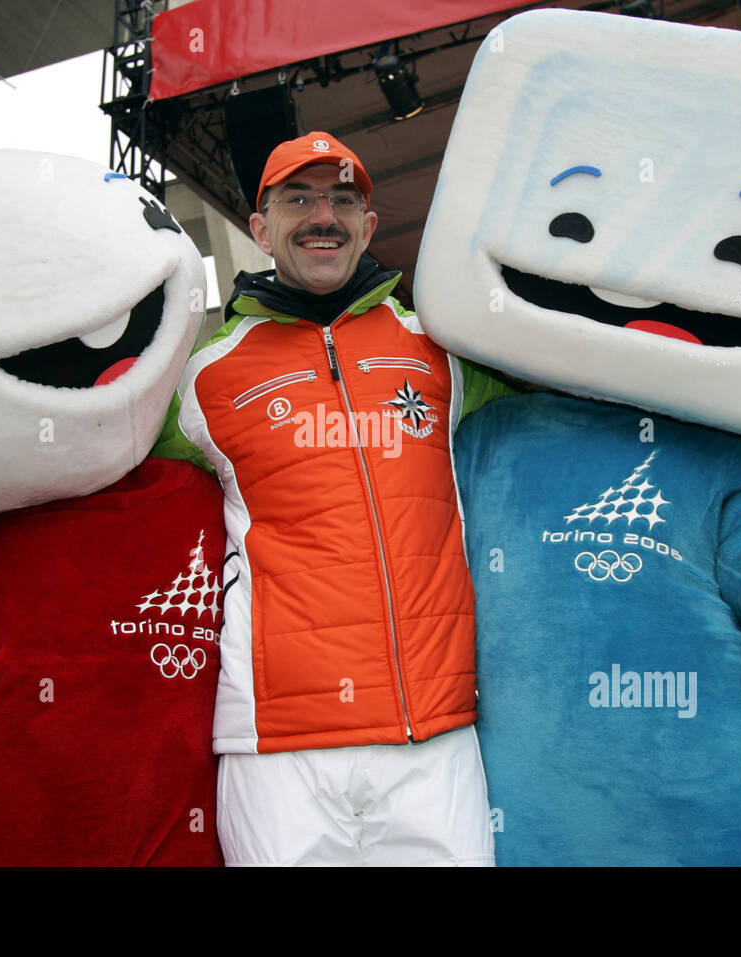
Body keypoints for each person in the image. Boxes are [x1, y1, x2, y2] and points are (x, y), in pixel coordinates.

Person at [154, 131, 513, 865]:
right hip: (278, 745)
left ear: (369, 226)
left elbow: (573, 383)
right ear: (259, 228)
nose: (324, 215)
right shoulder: (201, 377)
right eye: (298, 199)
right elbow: (100, 473)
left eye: (343, 199)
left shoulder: (439, 348)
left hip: (433, 734)